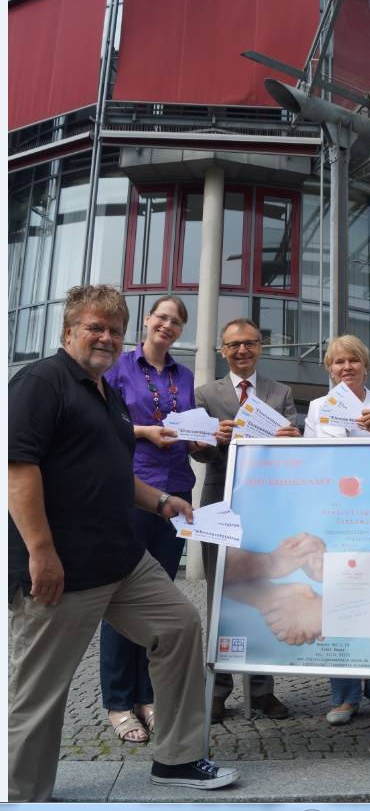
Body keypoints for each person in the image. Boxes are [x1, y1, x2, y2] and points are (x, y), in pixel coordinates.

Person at [8, 285, 239, 800]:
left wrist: (160, 501)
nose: (106, 337)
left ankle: (177, 759)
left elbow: (114, 470)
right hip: (63, 569)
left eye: (114, 329)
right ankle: (22, 794)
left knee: (180, 626)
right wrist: (41, 552)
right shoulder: (41, 382)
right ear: (68, 331)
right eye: (95, 327)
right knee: (39, 693)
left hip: (123, 561)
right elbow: (18, 470)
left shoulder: (104, 391)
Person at [99, 296, 196, 743]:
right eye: (162, 317)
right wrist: (142, 431)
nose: (168, 325)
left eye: (176, 321)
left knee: (159, 598)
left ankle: (147, 695)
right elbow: (104, 423)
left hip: (177, 489)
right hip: (133, 490)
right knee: (121, 595)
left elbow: (187, 428)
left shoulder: (185, 376)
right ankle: (119, 701)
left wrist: (200, 438)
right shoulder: (118, 367)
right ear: (148, 320)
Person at [193, 317, 300, 721]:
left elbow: (297, 440)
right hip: (219, 504)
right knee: (219, 596)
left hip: (268, 507)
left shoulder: (281, 392)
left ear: (260, 346)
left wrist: (292, 436)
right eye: (234, 345)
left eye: (250, 343)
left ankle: (263, 690)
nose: (242, 350)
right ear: (223, 350)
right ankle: (218, 689)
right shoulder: (205, 393)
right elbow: (196, 451)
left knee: (264, 594)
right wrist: (209, 440)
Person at [304, 334, 370, 726]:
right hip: (334, 519)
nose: (346, 368)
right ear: (329, 368)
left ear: (366, 365)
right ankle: (344, 695)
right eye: (338, 362)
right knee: (337, 602)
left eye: (353, 361)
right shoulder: (316, 407)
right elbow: (311, 461)